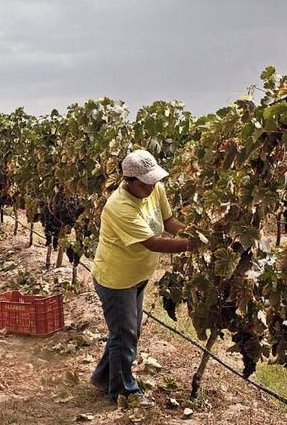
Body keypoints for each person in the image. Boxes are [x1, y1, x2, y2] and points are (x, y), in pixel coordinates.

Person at [90, 150, 195, 407]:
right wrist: (194, 245)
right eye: (144, 183)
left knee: (128, 331)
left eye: (153, 180)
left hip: (138, 275)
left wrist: (196, 232)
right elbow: (152, 242)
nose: (151, 186)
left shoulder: (154, 188)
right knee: (125, 334)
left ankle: (103, 377)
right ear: (128, 180)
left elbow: (168, 222)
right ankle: (124, 391)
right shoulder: (119, 206)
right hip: (116, 279)